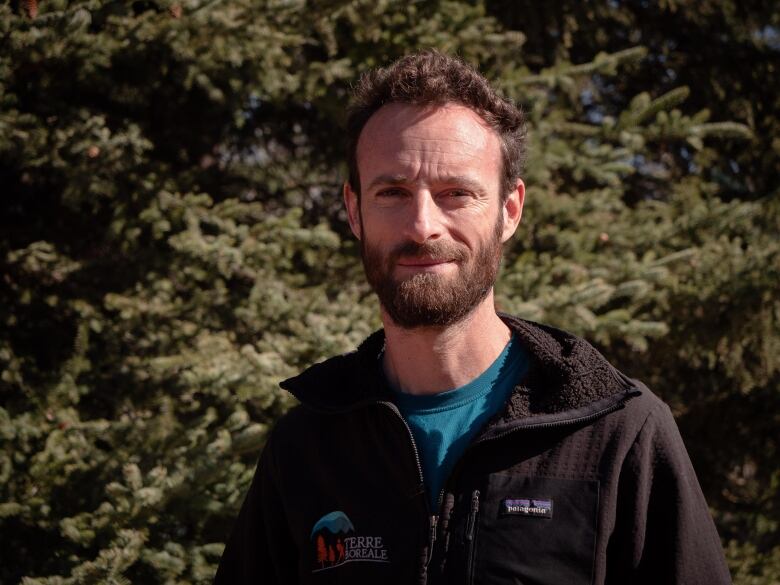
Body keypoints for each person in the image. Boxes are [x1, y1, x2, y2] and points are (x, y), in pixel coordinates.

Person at [214, 50, 732, 585]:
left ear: (510, 210)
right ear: (354, 211)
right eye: (391, 192)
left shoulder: (618, 433)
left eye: (456, 193)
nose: (423, 225)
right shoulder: (306, 447)